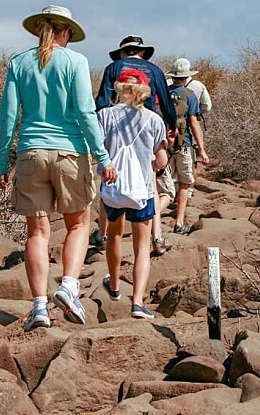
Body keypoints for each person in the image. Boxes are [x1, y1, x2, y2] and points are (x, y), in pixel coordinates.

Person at [0, 5, 117, 332]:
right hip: (70, 153)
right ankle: (69, 286)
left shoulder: (18, 63)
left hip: (30, 152)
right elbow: (85, 113)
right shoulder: (76, 62)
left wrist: (1, 160)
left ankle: (39, 308)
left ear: (39, 31)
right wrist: (103, 158)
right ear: (66, 33)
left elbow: (8, 117)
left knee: (37, 232)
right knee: (78, 225)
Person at [94, 35, 176, 256]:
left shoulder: (113, 68)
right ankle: (157, 236)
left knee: (108, 186)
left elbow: (101, 101)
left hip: (115, 133)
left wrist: (100, 129)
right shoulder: (155, 70)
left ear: (122, 52)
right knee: (150, 187)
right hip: (148, 129)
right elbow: (166, 102)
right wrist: (171, 126)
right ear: (141, 52)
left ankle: (102, 235)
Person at [97, 68, 168, 319]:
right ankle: (137, 302)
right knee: (142, 246)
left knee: (114, 234)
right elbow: (160, 160)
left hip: (112, 187)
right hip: (143, 190)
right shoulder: (154, 120)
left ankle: (114, 285)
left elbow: (95, 148)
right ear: (145, 91)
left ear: (119, 88)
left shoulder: (104, 116)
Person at [162, 58, 209, 234]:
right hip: (184, 144)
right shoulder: (189, 96)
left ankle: (153, 218)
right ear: (187, 77)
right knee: (183, 184)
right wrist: (202, 150)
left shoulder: (162, 94)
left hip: (163, 145)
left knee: (162, 188)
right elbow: (194, 123)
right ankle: (179, 222)